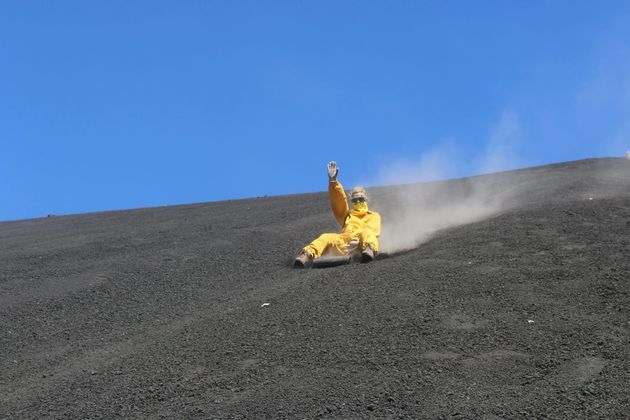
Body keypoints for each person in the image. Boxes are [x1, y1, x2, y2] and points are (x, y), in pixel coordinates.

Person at [294, 161, 381, 268]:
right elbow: (339, 201)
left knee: (367, 232)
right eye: (355, 200)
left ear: (366, 199)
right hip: (343, 244)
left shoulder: (373, 215)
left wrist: (358, 243)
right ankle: (306, 255)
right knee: (326, 237)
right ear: (352, 202)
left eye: (361, 199)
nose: (358, 202)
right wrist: (333, 181)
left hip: (359, 245)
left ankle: (368, 251)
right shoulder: (347, 216)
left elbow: (372, 232)